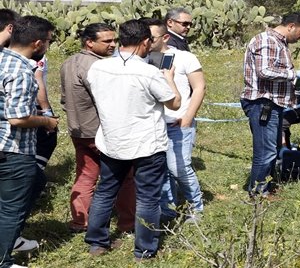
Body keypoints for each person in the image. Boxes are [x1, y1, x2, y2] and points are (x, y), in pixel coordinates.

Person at [84, 19, 181, 261]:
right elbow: (174, 102)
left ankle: (97, 242)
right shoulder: (148, 72)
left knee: (105, 191)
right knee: (148, 197)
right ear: (145, 42)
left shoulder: (98, 68)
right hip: (146, 144)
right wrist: (168, 77)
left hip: (112, 141)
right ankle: (144, 249)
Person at [60, 23, 136, 234]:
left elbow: (65, 99)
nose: (113, 45)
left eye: (115, 40)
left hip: (78, 129)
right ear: (89, 42)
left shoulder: (68, 62)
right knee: (125, 177)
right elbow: (108, 99)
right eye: (107, 41)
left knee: (85, 176)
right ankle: (128, 224)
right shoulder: (98, 67)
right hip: (100, 131)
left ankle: (80, 221)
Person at [240, 11, 300, 196]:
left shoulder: (278, 43)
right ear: (291, 26)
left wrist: (299, 83)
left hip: (272, 103)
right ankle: (258, 193)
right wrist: (296, 74)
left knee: (272, 148)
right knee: (266, 151)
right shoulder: (268, 41)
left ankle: (264, 186)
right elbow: (265, 71)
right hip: (263, 104)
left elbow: (275, 73)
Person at [0, 15, 59, 268]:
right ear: (37, 43)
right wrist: (47, 122)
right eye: (47, 41)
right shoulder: (22, 70)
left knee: (36, 181)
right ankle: (4, 259)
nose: (47, 45)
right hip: (13, 148)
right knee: (12, 208)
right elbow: (18, 118)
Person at [142, 18, 206, 222]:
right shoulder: (140, 59)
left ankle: (196, 206)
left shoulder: (185, 58)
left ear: (165, 37)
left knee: (178, 166)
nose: (147, 42)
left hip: (178, 123)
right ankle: (167, 208)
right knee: (161, 168)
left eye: (151, 38)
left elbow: (199, 88)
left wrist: (188, 117)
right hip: (152, 124)